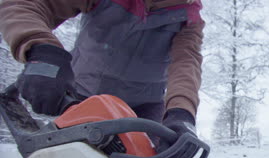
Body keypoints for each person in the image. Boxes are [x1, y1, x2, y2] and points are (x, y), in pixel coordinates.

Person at [0, 0, 204, 147]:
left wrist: (181, 113)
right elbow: (25, 5)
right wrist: (43, 53)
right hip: (85, 96)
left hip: (145, 107)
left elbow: (186, 64)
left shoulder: (189, 19)